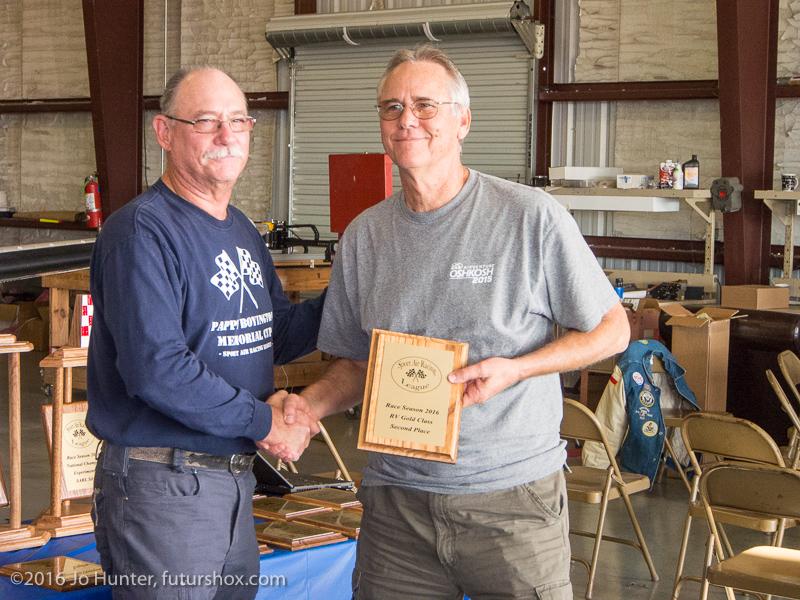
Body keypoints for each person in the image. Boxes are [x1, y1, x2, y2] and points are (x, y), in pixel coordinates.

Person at [281, 45, 631, 599]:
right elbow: (356, 363)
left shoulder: (529, 217)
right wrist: (308, 408)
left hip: (510, 503)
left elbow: (613, 329)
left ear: (463, 120)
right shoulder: (364, 236)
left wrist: (518, 369)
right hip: (395, 509)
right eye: (392, 108)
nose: (407, 120)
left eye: (425, 105)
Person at [87, 66, 322, 600]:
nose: (226, 135)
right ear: (165, 132)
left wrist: (355, 296)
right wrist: (265, 421)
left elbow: (274, 335)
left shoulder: (239, 228)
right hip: (164, 486)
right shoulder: (141, 233)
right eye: (206, 121)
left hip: (232, 480)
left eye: (238, 121)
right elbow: (158, 369)